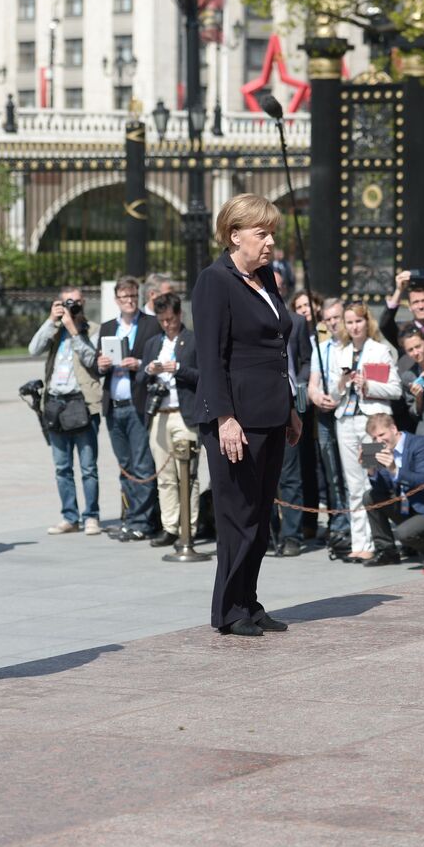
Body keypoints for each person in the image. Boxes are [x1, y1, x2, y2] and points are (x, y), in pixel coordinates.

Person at [193, 194, 302, 637]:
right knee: (238, 516)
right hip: (236, 418)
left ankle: (249, 600)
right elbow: (211, 356)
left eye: (272, 232)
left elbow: (277, 349)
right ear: (235, 235)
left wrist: (291, 407)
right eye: (262, 233)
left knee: (259, 516)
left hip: (272, 412)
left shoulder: (265, 278)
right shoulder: (214, 281)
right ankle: (229, 609)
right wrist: (224, 418)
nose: (270, 241)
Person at [313, 302, 402, 561]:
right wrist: (341, 384)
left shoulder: (379, 351)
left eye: (358, 321)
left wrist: (369, 384)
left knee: (372, 480)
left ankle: (379, 541)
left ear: (367, 322)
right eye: (349, 322)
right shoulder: (340, 352)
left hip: (371, 422)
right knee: (353, 484)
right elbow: (331, 392)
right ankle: (359, 541)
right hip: (346, 421)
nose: (354, 326)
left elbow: (395, 390)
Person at [28, 286, 104, 537]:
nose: (73, 306)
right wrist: (51, 320)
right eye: (68, 302)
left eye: (77, 302)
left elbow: (93, 360)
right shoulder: (54, 329)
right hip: (55, 404)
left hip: (83, 404)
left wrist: (73, 331)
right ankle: (69, 517)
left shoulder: (93, 330)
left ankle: (91, 516)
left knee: (88, 467)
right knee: (62, 467)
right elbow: (33, 349)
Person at [96, 276, 162, 542]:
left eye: (133, 297)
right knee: (125, 466)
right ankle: (130, 517)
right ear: (116, 300)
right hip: (114, 404)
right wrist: (100, 364)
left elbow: (160, 358)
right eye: (124, 297)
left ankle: (143, 522)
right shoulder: (107, 327)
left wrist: (140, 363)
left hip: (138, 403)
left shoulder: (151, 324)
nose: (129, 302)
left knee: (142, 466)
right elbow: (96, 366)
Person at [137, 291, 201, 549]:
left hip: (184, 415)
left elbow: (204, 377)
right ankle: (170, 526)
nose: (167, 324)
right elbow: (140, 380)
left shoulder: (194, 341)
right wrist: (149, 370)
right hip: (159, 415)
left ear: (179, 315)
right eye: (162, 320)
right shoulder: (153, 343)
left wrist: (179, 370)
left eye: (170, 319)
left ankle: (189, 527)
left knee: (187, 475)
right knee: (164, 477)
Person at [361, 413, 424, 566]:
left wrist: (395, 469)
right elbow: (383, 489)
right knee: (370, 496)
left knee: (403, 533)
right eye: (374, 438)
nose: (379, 441)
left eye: (382, 434)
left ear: (394, 429)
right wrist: (371, 470)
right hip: (408, 507)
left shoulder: (422, 444)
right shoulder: (383, 452)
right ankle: (386, 551)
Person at [272, 290, 316, 556]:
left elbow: (307, 358)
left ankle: (292, 535)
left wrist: (298, 382)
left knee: (290, 475)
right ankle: (269, 533)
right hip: (259, 403)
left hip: (289, 403)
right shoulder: (248, 318)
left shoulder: (296, 321)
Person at [308, 297, 352, 556]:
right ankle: (338, 520)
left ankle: (356, 521)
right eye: (329, 318)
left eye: (338, 317)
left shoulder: (352, 346)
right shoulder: (320, 347)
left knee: (351, 472)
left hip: (347, 413)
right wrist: (315, 397)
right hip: (325, 414)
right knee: (332, 472)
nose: (334, 322)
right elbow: (313, 382)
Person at [380, 269, 424, 349]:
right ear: (410, 307)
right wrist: (399, 290)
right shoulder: (402, 331)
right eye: (415, 302)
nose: (421, 306)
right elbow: (385, 325)